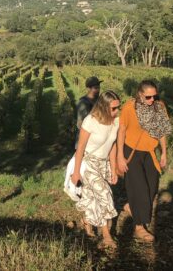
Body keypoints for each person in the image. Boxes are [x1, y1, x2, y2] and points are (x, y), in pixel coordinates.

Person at [117, 80, 171, 242]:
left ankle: (131, 207)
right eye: (148, 97)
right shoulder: (129, 108)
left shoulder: (159, 106)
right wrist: (120, 156)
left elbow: (161, 131)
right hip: (131, 150)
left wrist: (164, 153)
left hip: (150, 152)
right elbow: (122, 131)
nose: (152, 100)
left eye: (154, 96)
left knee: (152, 188)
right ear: (140, 94)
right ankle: (139, 226)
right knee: (139, 189)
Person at [71, 90, 121, 250]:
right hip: (89, 163)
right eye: (113, 108)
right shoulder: (90, 121)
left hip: (104, 163)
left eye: (118, 107)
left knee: (93, 197)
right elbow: (80, 149)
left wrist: (113, 169)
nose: (117, 111)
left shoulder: (116, 121)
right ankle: (106, 235)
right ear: (103, 107)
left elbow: (112, 146)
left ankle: (87, 221)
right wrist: (76, 172)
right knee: (105, 195)